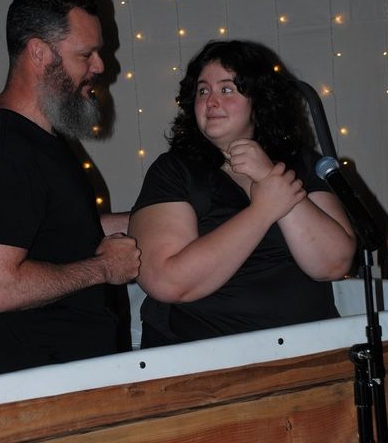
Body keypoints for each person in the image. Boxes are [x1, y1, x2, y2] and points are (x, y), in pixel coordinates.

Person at [0, 0, 141, 376]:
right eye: (85, 54)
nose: (100, 66)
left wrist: (160, 218)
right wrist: (103, 269)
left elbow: (65, 234)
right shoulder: (5, 155)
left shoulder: (39, 139)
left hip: (69, 382)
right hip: (44, 394)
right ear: (39, 53)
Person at [129, 40, 357, 348]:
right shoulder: (174, 170)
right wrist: (262, 212)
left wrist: (269, 176)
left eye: (226, 89)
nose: (211, 101)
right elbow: (167, 281)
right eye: (202, 91)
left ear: (257, 101)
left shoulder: (300, 162)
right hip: (204, 357)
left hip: (307, 351)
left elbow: (334, 263)